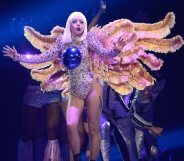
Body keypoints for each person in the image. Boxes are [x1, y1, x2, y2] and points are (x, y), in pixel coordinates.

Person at [3, 11, 183, 161]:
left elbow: (105, 53)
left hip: (92, 87)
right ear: (69, 25)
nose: (79, 24)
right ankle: (76, 157)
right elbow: (44, 57)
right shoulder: (61, 43)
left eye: (82, 21)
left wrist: (116, 50)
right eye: (75, 22)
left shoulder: (89, 40)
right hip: (75, 89)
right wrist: (18, 57)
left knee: (95, 130)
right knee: (71, 125)